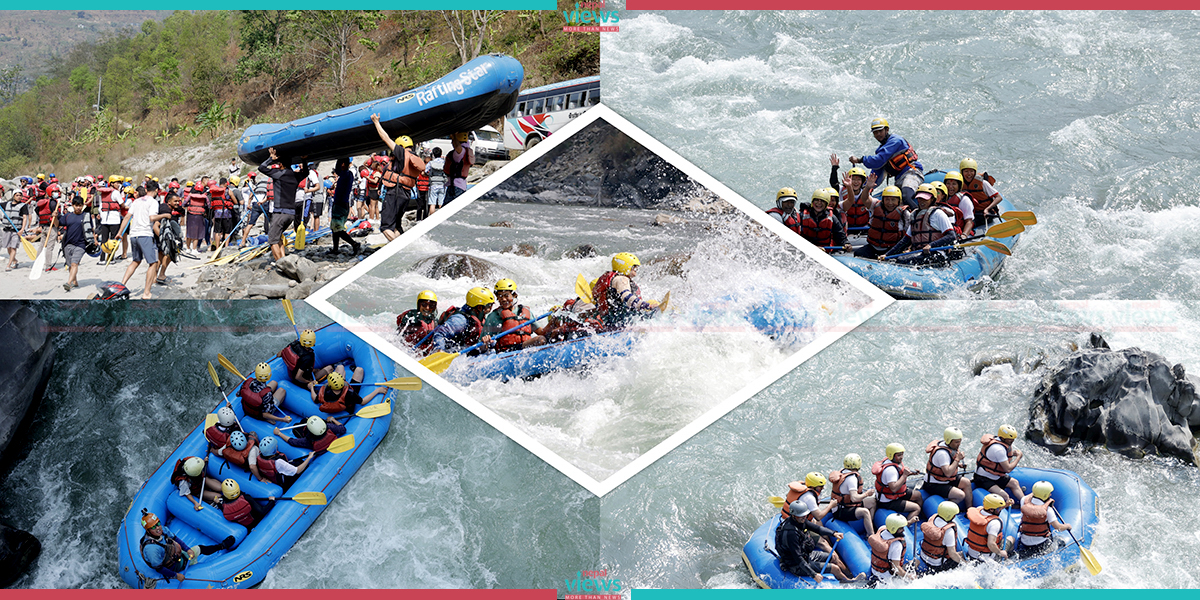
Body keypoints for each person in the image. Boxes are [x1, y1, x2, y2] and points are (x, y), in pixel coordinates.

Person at [369, 114, 426, 241]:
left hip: (395, 192)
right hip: (405, 194)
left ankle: (400, 248)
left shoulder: (401, 153)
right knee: (396, 226)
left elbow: (385, 138)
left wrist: (376, 122)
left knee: (386, 227)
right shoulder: (415, 156)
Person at [775, 501, 860, 584]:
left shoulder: (800, 521)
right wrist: (813, 575)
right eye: (801, 516)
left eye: (805, 515)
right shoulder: (791, 533)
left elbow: (817, 528)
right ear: (793, 516)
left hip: (806, 555)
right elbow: (798, 558)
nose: (804, 517)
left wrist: (833, 533)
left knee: (833, 557)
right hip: (796, 564)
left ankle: (850, 576)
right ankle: (848, 583)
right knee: (834, 568)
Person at [138, 510, 233, 583]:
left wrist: (187, 550)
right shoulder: (152, 549)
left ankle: (221, 546)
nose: (158, 528)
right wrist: (176, 575)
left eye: (158, 524)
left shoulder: (162, 530)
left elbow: (175, 538)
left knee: (198, 549)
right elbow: (159, 568)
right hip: (173, 565)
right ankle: (222, 546)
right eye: (153, 527)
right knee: (200, 549)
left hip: (176, 555)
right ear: (148, 531)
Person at [848, 118, 924, 209]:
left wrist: (860, 160)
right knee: (894, 205)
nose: (878, 134)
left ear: (887, 130)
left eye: (880, 131)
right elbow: (877, 173)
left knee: (906, 196)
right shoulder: (881, 150)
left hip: (911, 172)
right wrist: (864, 187)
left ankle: (919, 217)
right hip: (899, 178)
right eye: (875, 132)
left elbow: (878, 160)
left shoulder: (895, 141)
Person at [881, 184, 956, 265]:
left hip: (937, 253)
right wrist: (887, 255)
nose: (922, 202)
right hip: (919, 253)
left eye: (925, 199)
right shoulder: (915, 215)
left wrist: (931, 245)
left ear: (932, 200)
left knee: (904, 261)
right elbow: (905, 241)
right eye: (920, 199)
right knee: (899, 259)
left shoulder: (938, 214)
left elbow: (951, 236)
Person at [118, 185, 169, 299]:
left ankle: (122, 285)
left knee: (136, 261)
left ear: (146, 190)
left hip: (134, 235)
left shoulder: (136, 201)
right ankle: (146, 292)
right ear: (156, 190)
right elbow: (152, 218)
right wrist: (165, 215)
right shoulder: (153, 202)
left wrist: (120, 233)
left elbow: (127, 217)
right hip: (145, 234)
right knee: (153, 263)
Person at [259, 147, 310, 262]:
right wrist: (304, 161)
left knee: (272, 240)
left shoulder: (279, 174)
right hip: (291, 214)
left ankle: (280, 264)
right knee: (279, 237)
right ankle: (284, 260)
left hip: (280, 213)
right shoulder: (295, 176)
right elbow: (306, 172)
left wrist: (270, 159)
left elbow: (261, 168)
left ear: (281, 164)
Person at [592, 252, 660, 330]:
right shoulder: (621, 279)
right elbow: (627, 297)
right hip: (618, 321)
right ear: (626, 266)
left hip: (610, 319)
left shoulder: (613, 278)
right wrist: (647, 306)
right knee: (653, 311)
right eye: (634, 268)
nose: (635, 272)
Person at [484, 279, 547, 352]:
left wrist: (554, 320)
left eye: (506, 295)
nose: (503, 299)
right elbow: (482, 344)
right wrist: (485, 341)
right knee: (540, 340)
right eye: (500, 296)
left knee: (547, 337)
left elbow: (542, 332)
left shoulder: (525, 311)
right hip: (507, 352)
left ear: (514, 295)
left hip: (524, 348)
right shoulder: (494, 316)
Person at [427, 287, 496, 354]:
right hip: (452, 353)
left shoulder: (480, 317)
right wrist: (439, 352)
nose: (491, 308)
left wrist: (486, 343)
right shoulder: (460, 320)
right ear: (479, 307)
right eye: (489, 305)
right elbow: (440, 333)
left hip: (466, 352)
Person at [922, 426, 972, 511]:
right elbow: (948, 473)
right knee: (960, 495)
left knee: (966, 482)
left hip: (945, 480)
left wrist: (958, 465)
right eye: (956, 442)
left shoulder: (949, 447)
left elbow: (947, 465)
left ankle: (970, 510)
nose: (959, 444)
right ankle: (945, 511)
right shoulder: (942, 453)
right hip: (934, 484)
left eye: (960, 441)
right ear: (949, 441)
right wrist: (957, 459)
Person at [1015, 481, 1071, 556]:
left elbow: (1030, 497)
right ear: (1046, 495)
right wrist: (1067, 526)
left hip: (1024, 541)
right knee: (1060, 541)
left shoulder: (1024, 500)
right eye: (1049, 493)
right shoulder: (1048, 510)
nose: (1050, 494)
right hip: (1041, 544)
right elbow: (1058, 528)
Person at [872, 443, 922, 524]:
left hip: (895, 494)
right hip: (887, 501)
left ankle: (918, 516)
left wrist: (911, 473)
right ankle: (907, 524)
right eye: (899, 455)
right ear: (892, 455)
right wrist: (905, 475)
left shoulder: (890, 462)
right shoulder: (890, 470)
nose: (901, 457)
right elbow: (894, 488)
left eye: (902, 454)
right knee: (917, 508)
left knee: (918, 495)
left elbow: (899, 476)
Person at [974, 424, 1025, 503]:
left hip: (995, 476)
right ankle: (1007, 508)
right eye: (1010, 439)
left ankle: (1024, 503)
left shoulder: (1000, 443)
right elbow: (1007, 469)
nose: (1012, 441)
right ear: (1003, 438)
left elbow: (1001, 458)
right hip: (983, 478)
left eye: (1013, 439)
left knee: (1014, 483)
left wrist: (1012, 454)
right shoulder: (998, 449)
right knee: (1005, 496)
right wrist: (1018, 457)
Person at [853, 186, 907, 260]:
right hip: (873, 247)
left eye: (893, 200)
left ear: (899, 201)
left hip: (891, 249)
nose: (890, 203)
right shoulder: (875, 205)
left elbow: (908, 235)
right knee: (858, 254)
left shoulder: (905, 214)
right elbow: (864, 199)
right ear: (883, 200)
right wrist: (868, 187)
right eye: (887, 199)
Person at [828, 453, 876, 534]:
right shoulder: (852, 478)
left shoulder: (843, 472)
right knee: (865, 512)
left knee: (873, 502)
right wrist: (867, 494)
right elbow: (854, 498)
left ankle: (869, 526)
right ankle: (871, 535)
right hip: (841, 511)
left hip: (843, 505)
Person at [312, 367, 385, 416]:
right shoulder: (350, 393)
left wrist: (311, 388)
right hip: (347, 406)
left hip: (338, 401)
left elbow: (315, 399)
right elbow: (362, 402)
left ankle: (340, 366)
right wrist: (377, 391)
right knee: (359, 370)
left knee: (340, 367)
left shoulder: (324, 391)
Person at [248, 435, 314, 489]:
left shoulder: (260, 456)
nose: (277, 446)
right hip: (286, 482)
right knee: (303, 465)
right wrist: (309, 458)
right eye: (275, 446)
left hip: (276, 477)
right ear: (273, 450)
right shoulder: (278, 462)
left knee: (298, 462)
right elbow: (297, 471)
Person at [919, 501, 965, 573]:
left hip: (923, 555)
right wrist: (965, 564)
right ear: (950, 516)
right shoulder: (948, 531)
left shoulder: (932, 518)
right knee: (961, 556)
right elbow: (952, 554)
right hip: (937, 564)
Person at [966, 493, 1014, 560]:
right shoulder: (994, 523)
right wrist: (1000, 552)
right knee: (1011, 538)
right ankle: (1006, 558)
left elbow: (991, 510)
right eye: (998, 509)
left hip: (972, 554)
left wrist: (1006, 505)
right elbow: (991, 544)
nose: (1000, 510)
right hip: (988, 558)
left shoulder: (978, 510)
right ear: (991, 509)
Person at [868, 513, 914, 582]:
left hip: (875, 571)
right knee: (916, 562)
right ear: (894, 529)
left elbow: (893, 524)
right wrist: (910, 576)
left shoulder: (882, 529)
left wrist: (910, 521)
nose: (903, 530)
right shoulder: (896, 545)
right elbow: (896, 568)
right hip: (887, 577)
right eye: (901, 528)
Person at [328, 158, 361, 255]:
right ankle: (335, 249)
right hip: (340, 203)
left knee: (337, 229)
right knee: (334, 228)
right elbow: (337, 170)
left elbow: (337, 170)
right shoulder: (347, 174)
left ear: (343, 164)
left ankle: (354, 244)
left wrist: (339, 159)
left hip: (341, 204)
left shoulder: (347, 174)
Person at [57, 196, 89, 291]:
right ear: (73, 205)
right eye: (76, 205)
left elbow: (90, 229)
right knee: (70, 265)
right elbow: (57, 224)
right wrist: (54, 217)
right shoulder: (67, 216)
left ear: (83, 205)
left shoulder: (85, 216)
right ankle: (74, 281)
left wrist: (94, 240)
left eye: (80, 205)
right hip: (68, 243)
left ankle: (68, 283)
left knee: (75, 263)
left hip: (81, 244)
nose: (78, 207)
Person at [959, 158, 1002, 227]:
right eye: (966, 171)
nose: (969, 174)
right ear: (962, 172)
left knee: (969, 224)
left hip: (984, 213)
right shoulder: (960, 183)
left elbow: (999, 198)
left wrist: (987, 209)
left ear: (975, 172)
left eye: (971, 171)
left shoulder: (983, 183)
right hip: (970, 213)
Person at [155, 191, 185, 285]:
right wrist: (164, 239)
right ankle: (161, 275)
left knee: (160, 257)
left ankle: (154, 277)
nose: (177, 203)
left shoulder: (166, 207)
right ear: (169, 201)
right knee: (170, 254)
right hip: (160, 236)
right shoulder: (166, 210)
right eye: (175, 201)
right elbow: (156, 225)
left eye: (178, 201)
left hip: (159, 236)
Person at [274, 415, 345, 452]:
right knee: (305, 420)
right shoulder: (329, 427)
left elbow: (292, 441)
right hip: (331, 442)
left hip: (320, 447)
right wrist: (333, 419)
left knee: (296, 426)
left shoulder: (309, 440)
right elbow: (342, 429)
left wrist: (279, 433)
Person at [838, 166, 875, 232]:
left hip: (863, 228)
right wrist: (834, 167)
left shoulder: (866, 194)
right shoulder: (842, 190)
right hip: (847, 228)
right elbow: (834, 183)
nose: (856, 182)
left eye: (858, 180)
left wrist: (868, 187)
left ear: (862, 182)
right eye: (853, 179)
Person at [942, 171, 977, 236]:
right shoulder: (943, 197)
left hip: (959, 232)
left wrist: (964, 235)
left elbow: (969, 221)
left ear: (959, 186)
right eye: (948, 183)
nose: (950, 186)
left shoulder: (964, 200)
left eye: (954, 184)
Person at [444, 132, 474, 205]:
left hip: (455, 186)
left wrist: (454, 136)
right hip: (461, 185)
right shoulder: (468, 150)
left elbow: (457, 147)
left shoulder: (460, 152)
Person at [1, 189, 27, 271]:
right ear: (13, 196)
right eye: (17, 195)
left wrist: (22, 229)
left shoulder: (23, 206)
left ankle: (9, 265)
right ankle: (15, 261)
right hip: (7, 229)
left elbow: (25, 218)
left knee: (13, 248)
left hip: (16, 230)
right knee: (8, 247)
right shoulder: (6, 204)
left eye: (20, 195)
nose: (19, 197)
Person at [208, 178, 235, 251]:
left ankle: (217, 247)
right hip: (226, 214)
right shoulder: (227, 191)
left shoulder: (214, 192)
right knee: (227, 231)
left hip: (217, 214)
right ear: (226, 183)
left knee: (217, 231)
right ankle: (226, 247)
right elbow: (235, 201)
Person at [183, 181, 208, 253]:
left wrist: (189, 206)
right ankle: (194, 249)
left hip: (190, 215)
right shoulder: (204, 197)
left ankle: (188, 248)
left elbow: (184, 203)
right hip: (199, 216)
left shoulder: (190, 196)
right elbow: (208, 205)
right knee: (197, 233)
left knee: (189, 232)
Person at [425, 147, 447, 216]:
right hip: (442, 184)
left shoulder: (431, 163)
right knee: (441, 203)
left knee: (432, 203)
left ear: (433, 154)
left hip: (433, 184)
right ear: (441, 154)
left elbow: (426, 171)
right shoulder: (444, 162)